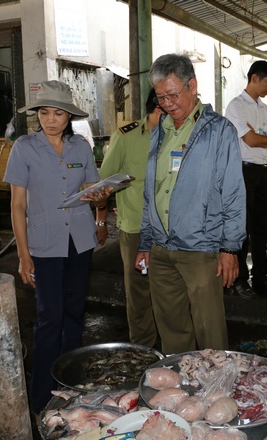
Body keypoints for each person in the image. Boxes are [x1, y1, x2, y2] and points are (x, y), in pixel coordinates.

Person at [4, 80, 111, 413]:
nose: (51, 120)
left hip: (79, 242)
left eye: (59, 113)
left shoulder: (80, 146)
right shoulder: (24, 147)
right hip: (43, 245)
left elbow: (95, 188)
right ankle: (42, 398)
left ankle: (73, 385)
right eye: (45, 112)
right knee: (50, 319)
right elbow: (17, 205)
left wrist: (102, 204)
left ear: (69, 117)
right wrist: (23, 255)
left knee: (75, 315)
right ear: (38, 115)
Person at [134, 54, 246, 355]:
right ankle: (181, 392)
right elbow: (151, 192)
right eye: (161, 97)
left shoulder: (219, 131)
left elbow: (233, 192)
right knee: (171, 329)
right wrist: (146, 241)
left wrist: (230, 248)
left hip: (201, 249)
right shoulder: (159, 131)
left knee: (210, 333)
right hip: (161, 249)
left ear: (192, 85)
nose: (168, 103)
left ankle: (216, 393)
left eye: (173, 94)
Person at [97, 89, 163, 347]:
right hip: (136, 228)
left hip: (170, 229)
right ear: (159, 107)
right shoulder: (126, 137)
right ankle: (143, 347)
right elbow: (105, 182)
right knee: (138, 291)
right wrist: (101, 221)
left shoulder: (178, 135)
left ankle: (170, 347)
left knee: (168, 291)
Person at [225, 60, 267, 298]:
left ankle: (261, 277)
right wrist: (264, 138)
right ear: (254, 78)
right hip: (244, 171)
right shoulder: (236, 106)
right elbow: (251, 140)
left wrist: (264, 138)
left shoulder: (264, 108)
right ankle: (239, 280)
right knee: (242, 228)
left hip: (263, 171)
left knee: (260, 228)